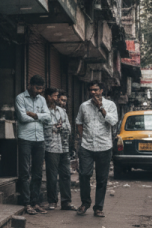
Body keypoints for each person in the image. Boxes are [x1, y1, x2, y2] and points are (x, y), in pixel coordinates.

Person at [75, 80, 118, 217]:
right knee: (84, 175)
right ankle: (85, 203)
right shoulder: (84, 106)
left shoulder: (110, 105)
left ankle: (98, 207)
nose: (93, 92)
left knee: (101, 178)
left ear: (101, 91)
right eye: (91, 90)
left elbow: (113, 121)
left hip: (104, 146)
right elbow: (79, 122)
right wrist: (82, 138)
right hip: (87, 146)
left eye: (95, 90)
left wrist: (101, 108)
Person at [15, 75, 51, 214]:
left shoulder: (42, 99)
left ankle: (35, 202)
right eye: (37, 88)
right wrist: (40, 116)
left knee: (37, 173)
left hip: (39, 139)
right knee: (25, 172)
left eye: (41, 88)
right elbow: (22, 118)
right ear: (29, 85)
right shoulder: (20, 98)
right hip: (25, 138)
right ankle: (26, 202)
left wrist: (35, 115)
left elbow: (48, 117)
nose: (39, 91)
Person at [44, 88, 74, 210]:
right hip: (51, 147)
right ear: (48, 97)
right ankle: (52, 201)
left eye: (58, 96)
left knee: (66, 174)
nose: (57, 99)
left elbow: (68, 128)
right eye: (55, 96)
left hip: (64, 146)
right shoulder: (44, 111)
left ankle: (66, 202)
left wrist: (58, 127)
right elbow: (46, 128)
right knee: (52, 175)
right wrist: (56, 127)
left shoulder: (62, 111)